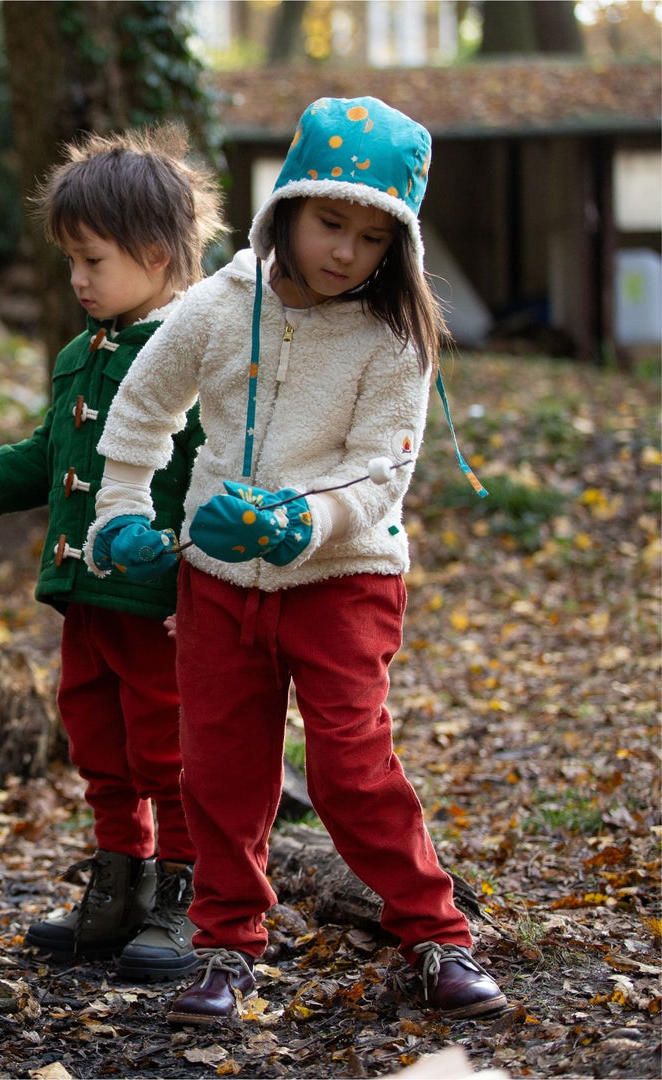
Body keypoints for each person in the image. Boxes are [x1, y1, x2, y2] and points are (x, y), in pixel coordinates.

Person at [84, 96, 508, 1023]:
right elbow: (144, 408)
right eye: (330, 221)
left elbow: (379, 474)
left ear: (399, 245)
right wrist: (121, 511)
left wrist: (298, 525)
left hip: (344, 580)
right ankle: (226, 949)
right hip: (217, 584)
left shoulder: (396, 336)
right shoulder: (219, 305)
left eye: (371, 236)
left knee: (353, 768)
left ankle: (436, 938)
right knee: (220, 772)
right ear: (286, 206)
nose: (346, 252)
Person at [0, 125, 227, 982]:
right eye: (70, 260)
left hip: (160, 603)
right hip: (85, 601)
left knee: (168, 750)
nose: (76, 279)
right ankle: (119, 878)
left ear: (152, 253)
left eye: (92, 261)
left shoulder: (200, 354)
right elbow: (56, 448)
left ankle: (187, 888)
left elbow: (223, 474)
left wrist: (200, 579)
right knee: (98, 743)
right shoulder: (79, 355)